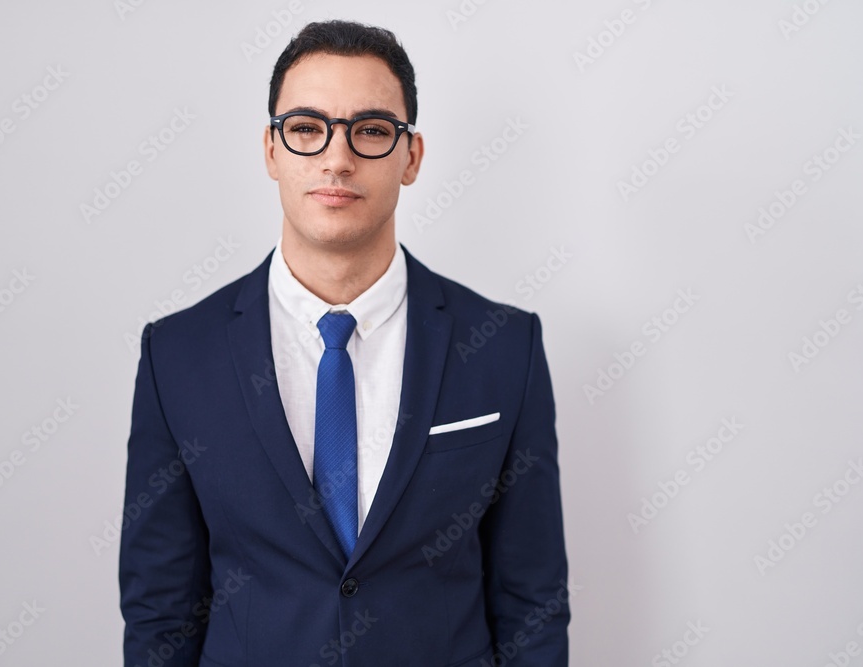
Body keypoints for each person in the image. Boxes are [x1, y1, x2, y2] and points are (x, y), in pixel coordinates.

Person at [119, 19, 569, 667]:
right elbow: (160, 604)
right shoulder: (179, 355)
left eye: (371, 130)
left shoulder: (503, 346)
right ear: (271, 150)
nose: (337, 158)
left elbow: (533, 597)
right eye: (306, 128)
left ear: (411, 155)